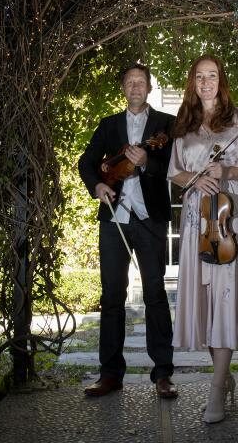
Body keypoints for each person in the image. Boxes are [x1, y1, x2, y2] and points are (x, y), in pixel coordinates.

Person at [167, 54, 238, 423]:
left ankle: (216, 391)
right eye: (199, 76)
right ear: (192, 82)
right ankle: (225, 377)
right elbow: (175, 172)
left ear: (220, 80)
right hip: (197, 222)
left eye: (212, 75)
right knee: (208, 303)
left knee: (224, 300)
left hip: (228, 219)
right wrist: (194, 179)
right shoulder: (185, 122)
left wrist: (225, 168)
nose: (206, 82)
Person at [78, 63, 178, 399]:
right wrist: (97, 187)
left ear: (149, 88)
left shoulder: (166, 124)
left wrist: (148, 163)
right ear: (123, 88)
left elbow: (176, 167)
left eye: (141, 82)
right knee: (111, 296)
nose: (135, 87)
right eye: (130, 82)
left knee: (155, 294)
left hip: (150, 218)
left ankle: (163, 374)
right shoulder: (108, 125)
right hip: (115, 218)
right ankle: (110, 374)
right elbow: (86, 162)